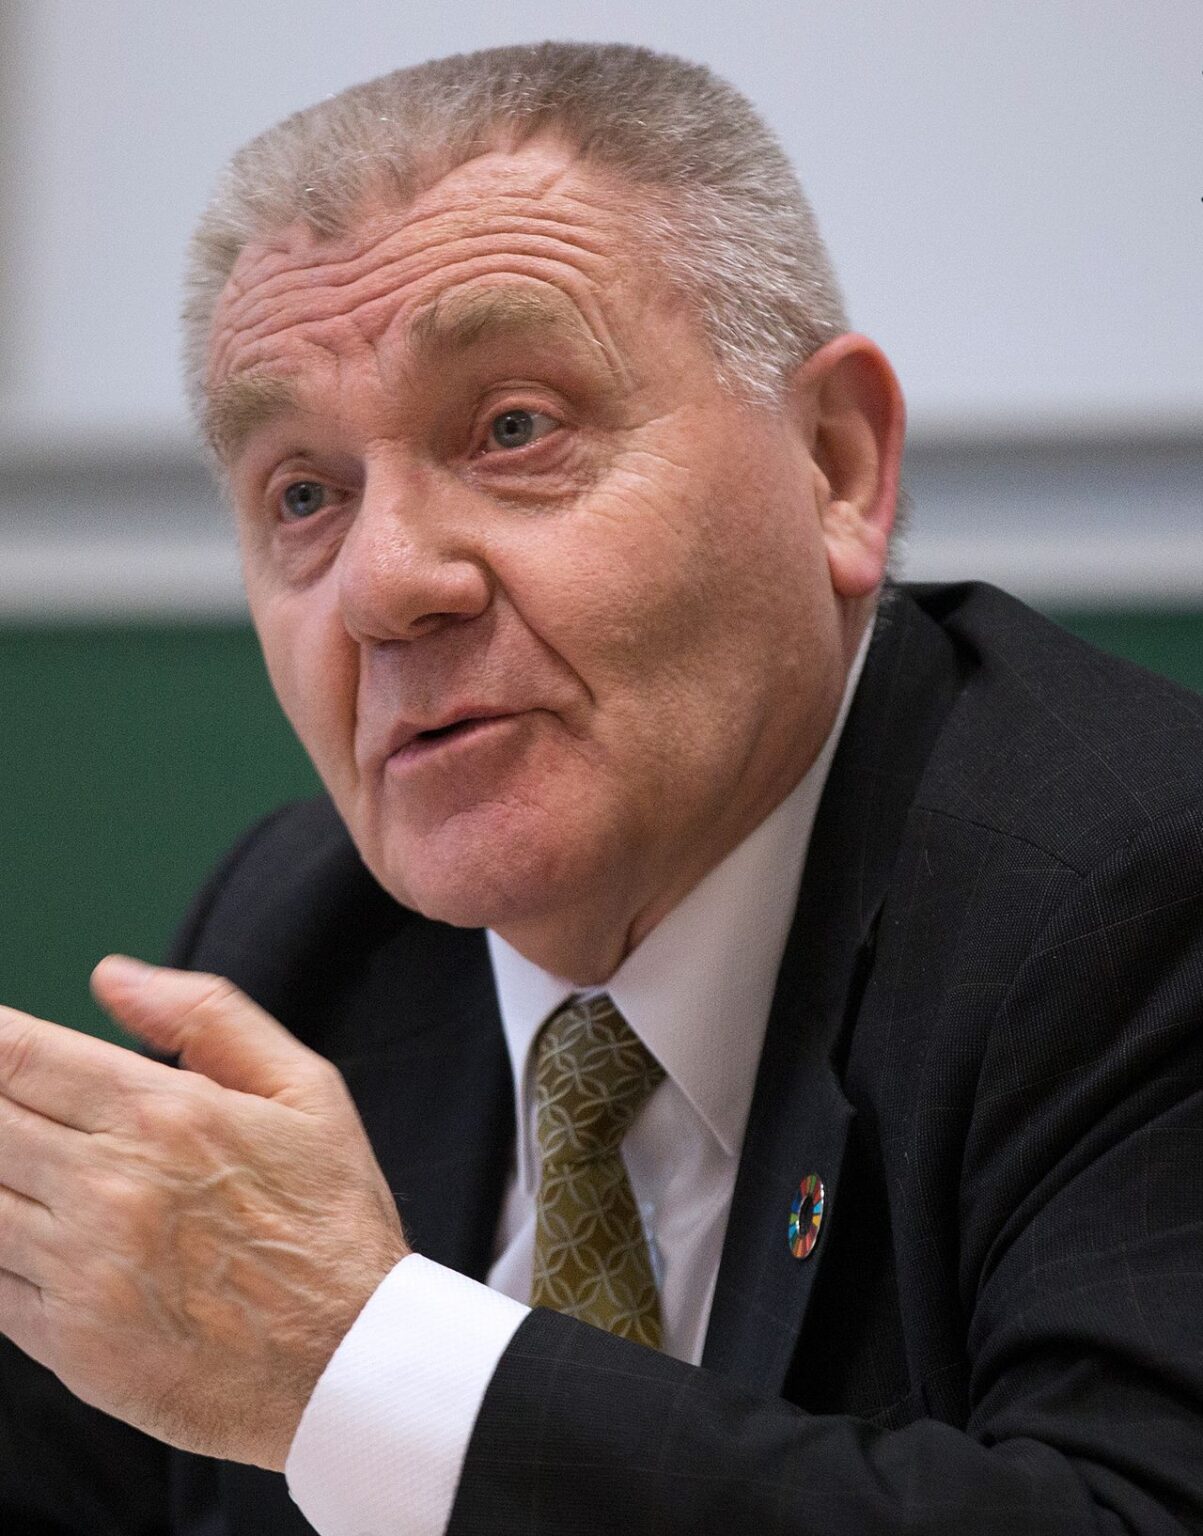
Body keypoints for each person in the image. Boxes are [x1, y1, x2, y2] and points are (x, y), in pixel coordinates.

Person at [1, 39, 1202, 1536]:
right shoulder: (304, 943)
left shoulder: (1137, 898)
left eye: (515, 429)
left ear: (835, 466)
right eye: (304, 496)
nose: (385, 584)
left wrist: (360, 1364)